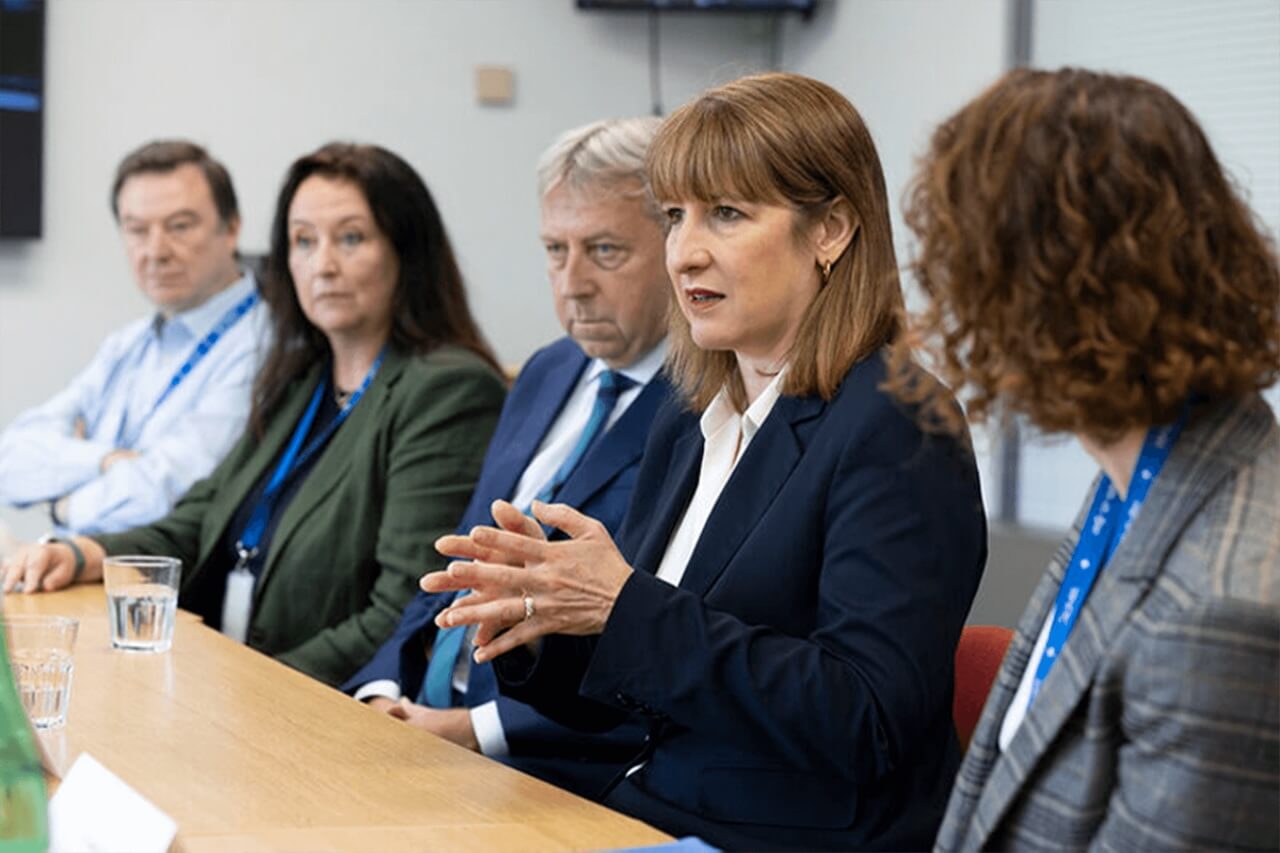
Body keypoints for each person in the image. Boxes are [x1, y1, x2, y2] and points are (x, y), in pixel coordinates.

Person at [427, 72, 988, 850]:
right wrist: (537, 622)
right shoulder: (691, 414)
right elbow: (645, 687)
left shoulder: (897, 422)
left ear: (831, 230)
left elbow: (865, 720)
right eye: (674, 217)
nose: (685, 252)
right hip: (647, 811)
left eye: (726, 215)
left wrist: (620, 608)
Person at [886, 69, 1280, 851]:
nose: (948, 304)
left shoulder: (1222, 610)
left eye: (963, 267)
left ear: (1039, 289)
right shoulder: (1148, 474)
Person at [1, 143, 506, 688]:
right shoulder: (300, 378)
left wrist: (249, 690)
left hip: (312, 704)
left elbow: (404, 610)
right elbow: (199, 518)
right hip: (222, 671)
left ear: (405, 250)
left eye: (351, 238)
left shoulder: (445, 388)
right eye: (303, 241)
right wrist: (85, 552)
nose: (324, 265)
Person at [343, 117, 672, 798]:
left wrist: (473, 726)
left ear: (677, 246)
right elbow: (459, 558)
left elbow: (649, 650)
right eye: (555, 249)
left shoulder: (706, 407)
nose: (572, 282)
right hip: (415, 726)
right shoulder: (548, 371)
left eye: (604, 250)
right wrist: (381, 690)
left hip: (544, 761)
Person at [0, 140, 269, 535]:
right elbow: (10, 462)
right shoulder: (129, 343)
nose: (156, 251)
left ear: (230, 230)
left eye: (180, 226)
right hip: (79, 576)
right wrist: (108, 461)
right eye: (137, 230)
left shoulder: (264, 343)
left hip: (169, 586)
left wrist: (62, 505)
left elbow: (166, 493)